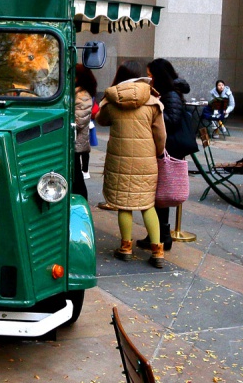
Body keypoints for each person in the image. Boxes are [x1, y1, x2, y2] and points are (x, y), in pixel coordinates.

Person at [97, 62, 168, 268]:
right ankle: (157, 250)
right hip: (146, 161)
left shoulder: (112, 101)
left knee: (124, 205)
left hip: (119, 159)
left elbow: (100, 120)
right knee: (147, 205)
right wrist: (157, 152)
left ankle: (125, 247)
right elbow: (160, 135)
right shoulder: (153, 101)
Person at [143, 58, 193, 251]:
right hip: (165, 148)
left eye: (150, 75)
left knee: (161, 195)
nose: (149, 78)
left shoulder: (170, 94)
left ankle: (162, 236)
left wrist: (153, 108)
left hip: (168, 150)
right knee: (159, 195)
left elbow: (171, 120)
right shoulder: (167, 92)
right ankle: (159, 235)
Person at [73, 65, 97, 192]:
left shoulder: (82, 95)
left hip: (76, 143)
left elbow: (79, 121)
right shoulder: (77, 93)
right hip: (74, 142)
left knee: (76, 179)